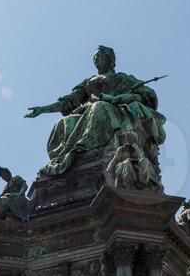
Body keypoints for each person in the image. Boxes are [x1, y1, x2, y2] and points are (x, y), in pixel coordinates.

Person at [25, 45, 166, 179]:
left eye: (99, 56)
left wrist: (117, 99)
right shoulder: (88, 82)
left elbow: (147, 95)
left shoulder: (124, 79)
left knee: (99, 107)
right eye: (94, 57)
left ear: (109, 59)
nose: (95, 59)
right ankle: (70, 157)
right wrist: (43, 109)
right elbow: (68, 102)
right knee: (63, 123)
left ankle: (86, 149)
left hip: (116, 110)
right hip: (87, 113)